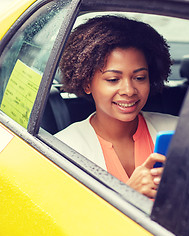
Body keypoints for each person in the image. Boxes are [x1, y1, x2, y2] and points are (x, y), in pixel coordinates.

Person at [55, 15, 178, 198]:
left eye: (139, 78)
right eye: (113, 79)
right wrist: (128, 195)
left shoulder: (179, 131)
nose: (129, 90)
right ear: (87, 83)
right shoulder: (63, 150)